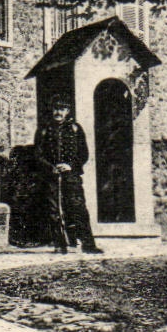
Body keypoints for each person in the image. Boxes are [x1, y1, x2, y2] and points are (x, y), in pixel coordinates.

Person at [37, 95, 104, 254]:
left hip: (71, 176)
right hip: (51, 177)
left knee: (78, 208)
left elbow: (84, 153)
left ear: (67, 111)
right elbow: (38, 155)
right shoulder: (44, 130)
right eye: (55, 108)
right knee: (54, 211)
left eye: (62, 109)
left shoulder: (75, 129)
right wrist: (51, 167)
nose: (58, 112)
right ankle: (61, 245)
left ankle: (88, 244)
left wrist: (70, 166)